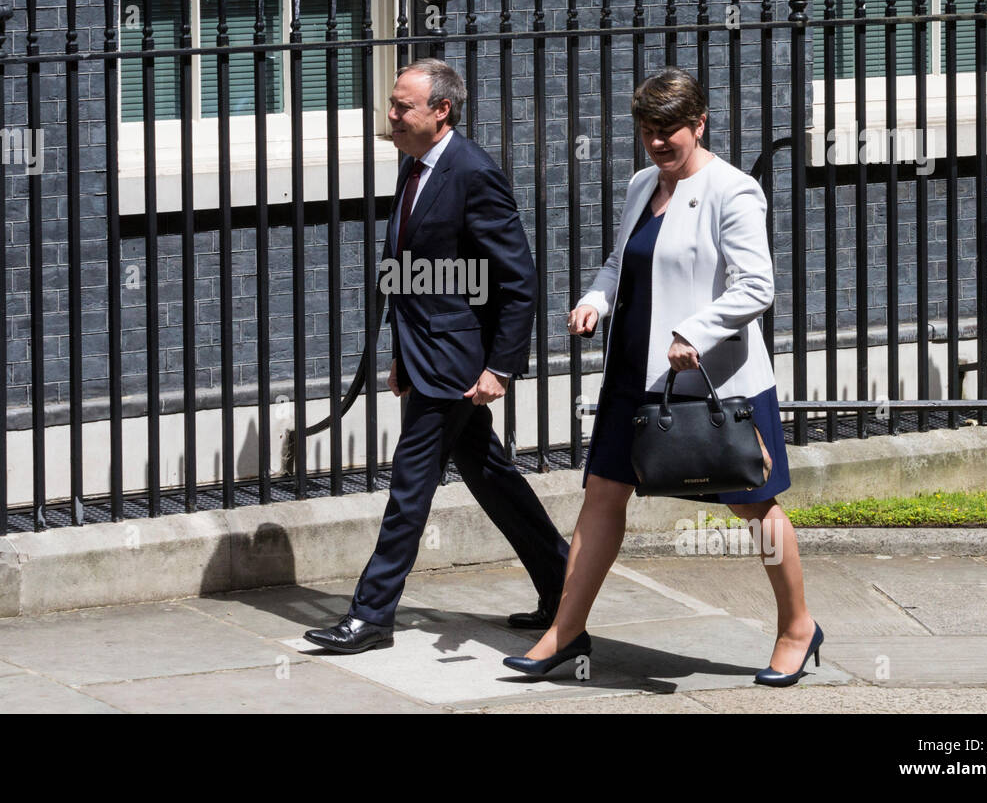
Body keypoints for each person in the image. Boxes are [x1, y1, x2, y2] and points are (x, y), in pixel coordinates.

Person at [502, 67, 823, 686]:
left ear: (699, 123)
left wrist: (694, 332)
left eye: (669, 130)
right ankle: (564, 634)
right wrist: (594, 300)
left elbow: (756, 287)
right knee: (601, 496)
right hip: (632, 371)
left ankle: (796, 628)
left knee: (753, 504)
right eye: (648, 130)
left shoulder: (734, 190)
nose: (656, 142)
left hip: (714, 381)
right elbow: (619, 265)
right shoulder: (641, 184)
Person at [304, 58, 570, 655]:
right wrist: (402, 352)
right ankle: (564, 584)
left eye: (403, 106)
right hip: (426, 355)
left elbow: (516, 277)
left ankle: (371, 615)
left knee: (409, 486)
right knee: (491, 476)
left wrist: (500, 366)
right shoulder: (417, 165)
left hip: (456, 363)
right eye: (393, 104)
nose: (391, 115)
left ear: (441, 110)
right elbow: (410, 272)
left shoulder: (473, 172)